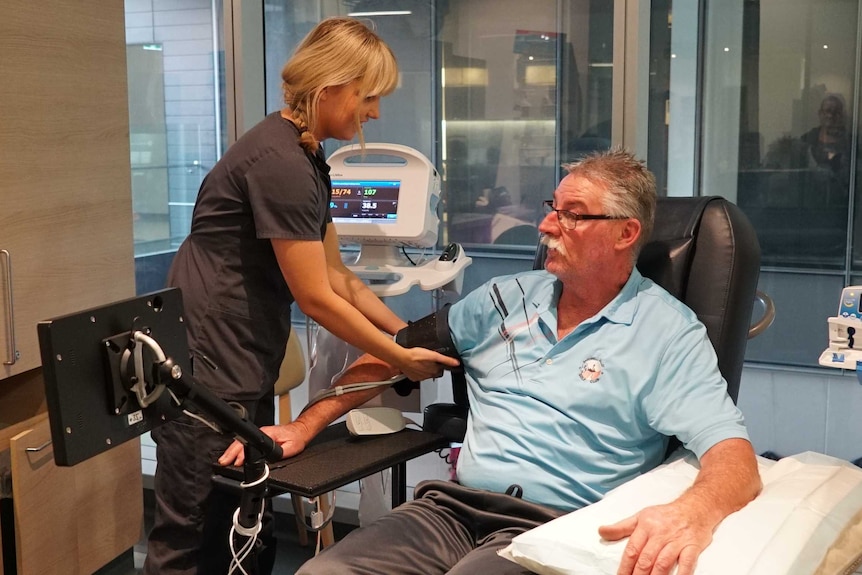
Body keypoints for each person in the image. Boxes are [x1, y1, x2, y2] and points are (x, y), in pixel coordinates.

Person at [220, 149, 763, 575]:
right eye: (552, 208)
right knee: (322, 572)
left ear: (625, 234)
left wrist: (692, 511)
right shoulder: (504, 299)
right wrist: (305, 423)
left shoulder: (666, 332)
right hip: (449, 511)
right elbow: (394, 355)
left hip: (555, 525)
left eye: (573, 215)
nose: (547, 225)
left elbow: (734, 458)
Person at [145, 17, 459, 575]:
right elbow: (316, 299)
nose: (375, 113)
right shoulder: (281, 163)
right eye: (369, 96)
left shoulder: (307, 155)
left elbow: (341, 278)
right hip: (208, 370)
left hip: (240, 362)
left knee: (245, 526)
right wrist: (398, 358)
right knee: (193, 541)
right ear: (331, 85)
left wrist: (410, 335)